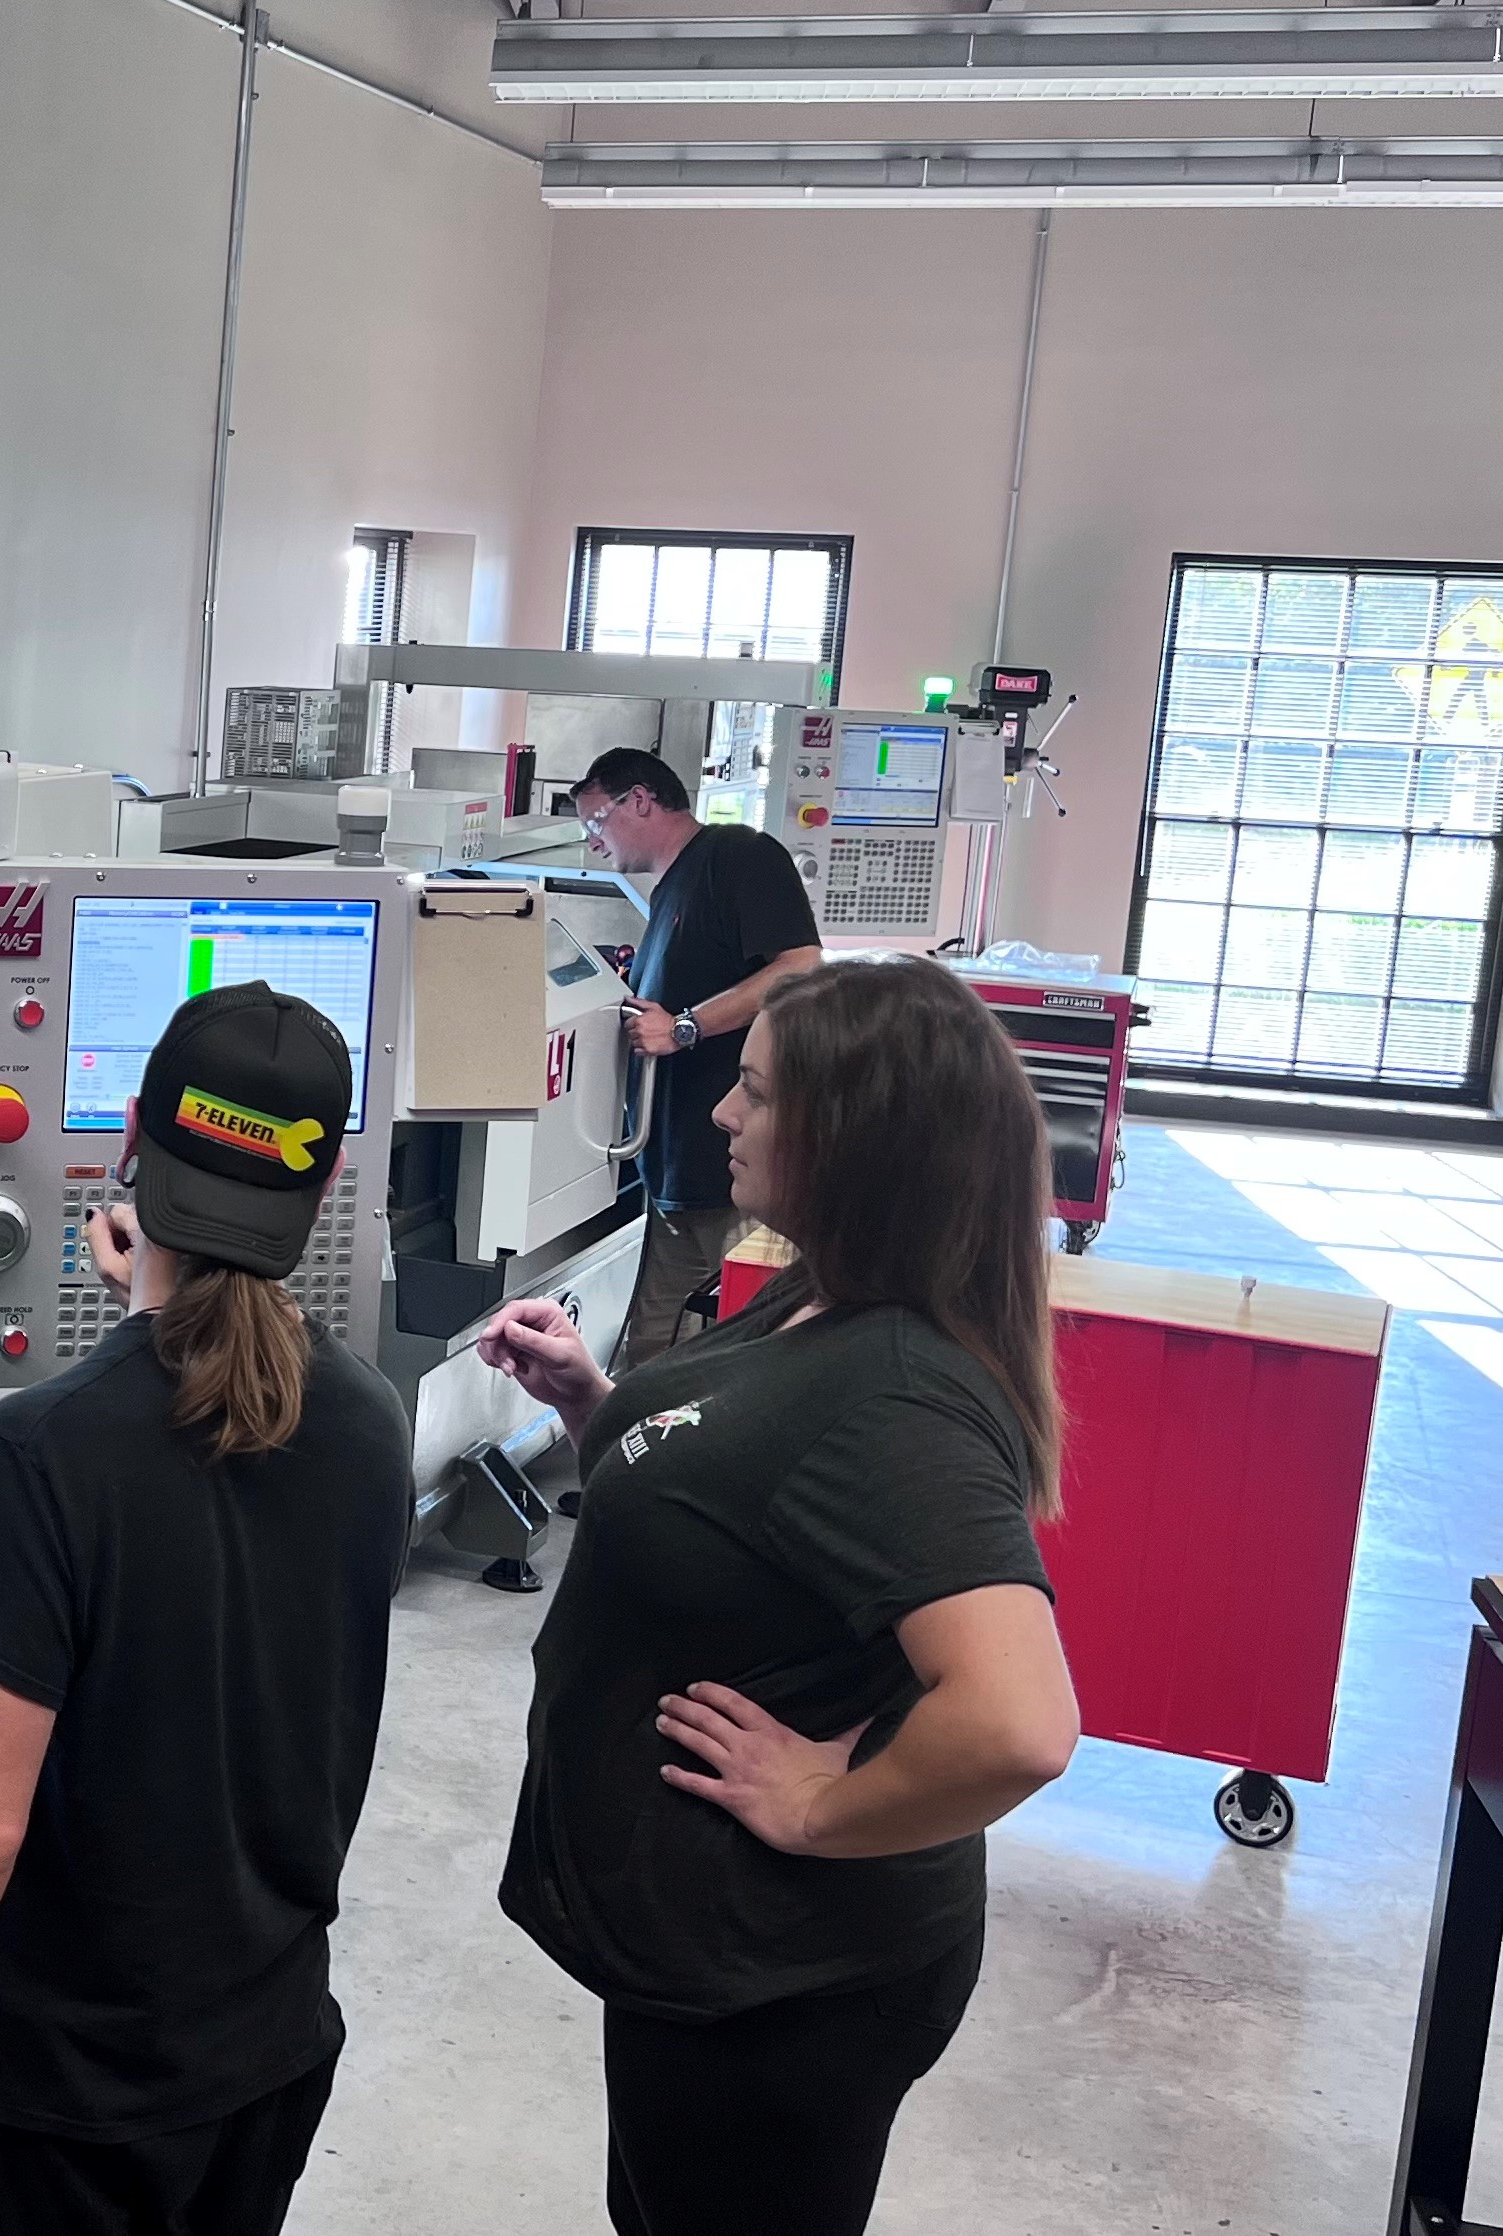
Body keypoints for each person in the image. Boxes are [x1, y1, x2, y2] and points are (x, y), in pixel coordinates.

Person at [0, 983, 412, 2236]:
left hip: (75, 2103)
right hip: (265, 2056)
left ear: (129, 1147)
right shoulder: (370, 1423)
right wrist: (140, 1326)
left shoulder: (43, 1456)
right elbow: (214, 1489)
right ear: (317, 1197)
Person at [470, 955, 1081, 2236]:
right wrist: (599, 1408)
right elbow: (749, 1508)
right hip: (706, 1963)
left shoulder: (904, 1391)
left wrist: (819, 1806)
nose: (719, 1116)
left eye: (751, 1093)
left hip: (788, 1979)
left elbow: (1020, 1723)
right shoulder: (827, 1296)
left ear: (847, 1140)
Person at [569, 747, 823, 1369]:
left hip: (726, 1171)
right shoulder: (670, 891)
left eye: (596, 822)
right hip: (674, 1170)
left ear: (640, 800)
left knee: (702, 1354)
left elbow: (801, 968)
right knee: (653, 1350)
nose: (594, 843)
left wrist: (683, 1027)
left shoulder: (737, 856)